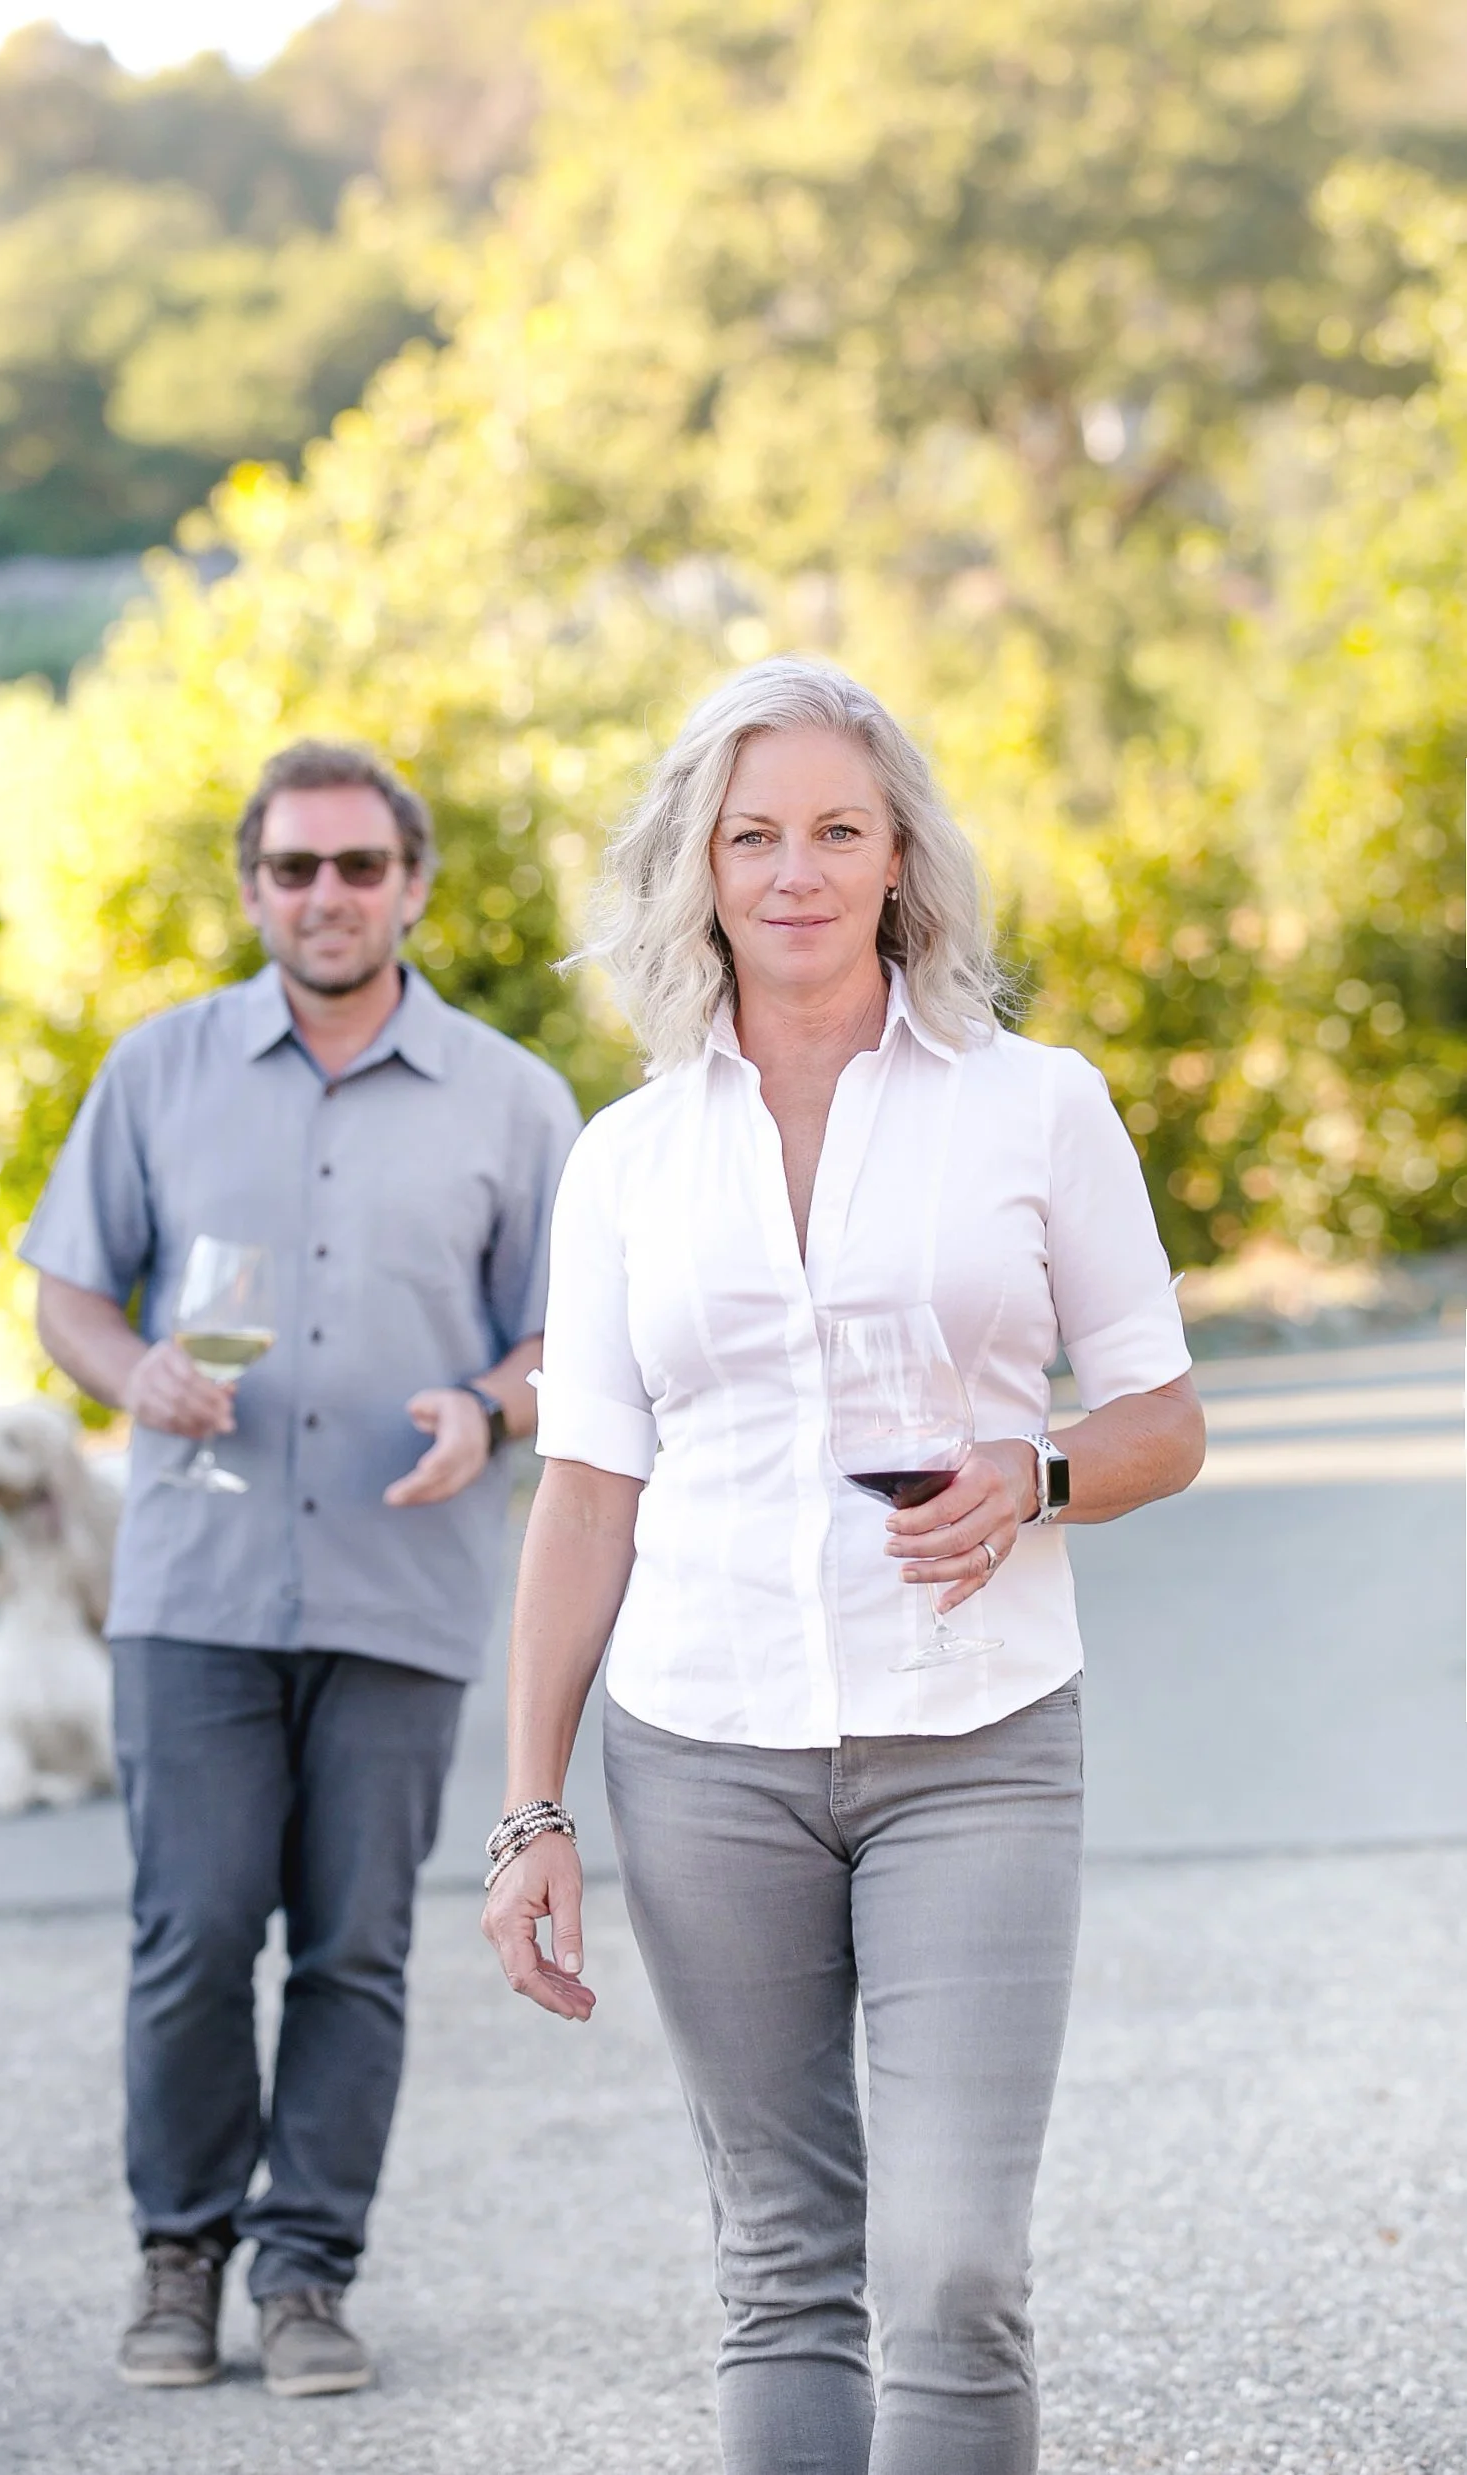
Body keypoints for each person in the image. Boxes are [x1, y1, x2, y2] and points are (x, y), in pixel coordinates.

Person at [483, 658, 1205, 2474]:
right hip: (702, 1743)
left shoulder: (1033, 1103)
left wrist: (1031, 1468)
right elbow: (584, 1488)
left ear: (898, 862)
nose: (792, 870)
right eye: (751, 835)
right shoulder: (626, 1156)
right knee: (783, 2264)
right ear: (699, 870)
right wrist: (529, 1809)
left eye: (834, 829)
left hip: (973, 1733)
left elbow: (1162, 1421)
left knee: (951, 2265)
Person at [24, 739, 580, 2399]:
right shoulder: (159, 1071)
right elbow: (66, 1289)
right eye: (293, 868)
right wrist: (129, 1373)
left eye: (356, 866)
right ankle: (178, 2255)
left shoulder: (510, 1096)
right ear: (254, 885)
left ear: (409, 883)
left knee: (353, 1944)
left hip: (400, 1591)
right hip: (189, 1587)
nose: (324, 895)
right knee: (192, 1929)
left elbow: (572, 1342)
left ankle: (308, 2271)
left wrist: (489, 1408)